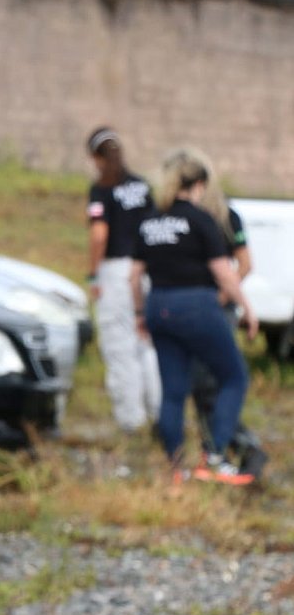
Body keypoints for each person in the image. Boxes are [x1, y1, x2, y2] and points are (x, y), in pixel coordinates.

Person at [130, 147, 259, 485]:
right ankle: (214, 458)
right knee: (233, 378)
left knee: (173, 391)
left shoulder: (151, 220)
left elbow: (134, 276)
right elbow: (225, 272)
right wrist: (246, 307)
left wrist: (140, 313)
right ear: (200, 183)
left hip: (159, 306)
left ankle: (175, 470)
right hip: (198, 306)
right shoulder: (201, 219)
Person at [86, 127, 161, 432]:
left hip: (116, 271)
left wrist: (93, 274)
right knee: (148, 343)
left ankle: (131, 420)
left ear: (95, 157)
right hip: (145, 269)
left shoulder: (101, 190)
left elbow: (99, 233)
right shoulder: (142, 186)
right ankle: (159, 411)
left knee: (119, 345)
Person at [191, 183, 268, 478]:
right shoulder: (188, 218)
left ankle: (243, 448)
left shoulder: (228, 217)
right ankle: (214, 449)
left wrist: (222, 297)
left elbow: (245, 264)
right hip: (194, 309)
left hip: (217, 311)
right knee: (200, 385)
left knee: (216, 383)